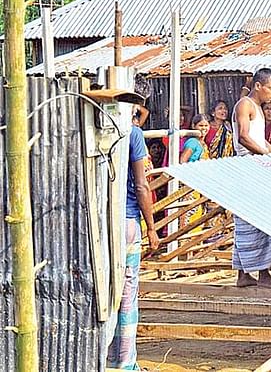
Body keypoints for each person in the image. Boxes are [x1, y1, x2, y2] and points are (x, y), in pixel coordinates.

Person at [107, 112, 160, 369]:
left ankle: (102, 356)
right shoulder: (133, 133)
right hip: (127, 220)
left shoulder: (95, 124)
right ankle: (125, 363)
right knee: (127, 294)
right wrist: (151, 228)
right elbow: (141, 185)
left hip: (98, 220)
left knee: (103, 289)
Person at [231, 68, 271, 288]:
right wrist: (266, 156)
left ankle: (246, 274)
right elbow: (244, 138)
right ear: (258, 86)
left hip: (257, 166)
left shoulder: (259, 110)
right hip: (248, 168)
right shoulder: (245, 105)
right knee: (253, 221)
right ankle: (260, 274)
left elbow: (260, 141)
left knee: (253, 222)